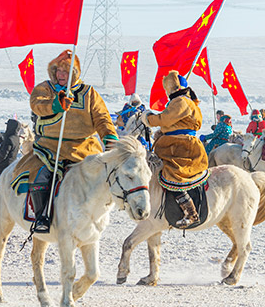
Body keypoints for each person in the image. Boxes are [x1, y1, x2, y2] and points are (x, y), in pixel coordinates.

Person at [13, 50, 117, 234]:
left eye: (66, 72)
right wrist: (56, 104)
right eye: (58, 71)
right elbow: (37, 104)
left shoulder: (89, 93)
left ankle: (98, 214)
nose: (61, 75)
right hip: (51, 147)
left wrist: (109, 138)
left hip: (84, 148)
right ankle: (42, 216)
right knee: (42, 175)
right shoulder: (45, 88)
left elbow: (102, 118)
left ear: (74, 74)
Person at [140, 71, 207, 228]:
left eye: (167, 89)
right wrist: (163, 131)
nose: (166, 92)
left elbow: (166, 119)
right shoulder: (181, 101)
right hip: (172, 144)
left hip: (181, 148)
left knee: (172, 174)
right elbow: (174, 122)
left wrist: (149, 119)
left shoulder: (181, 101)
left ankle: (191, 212)